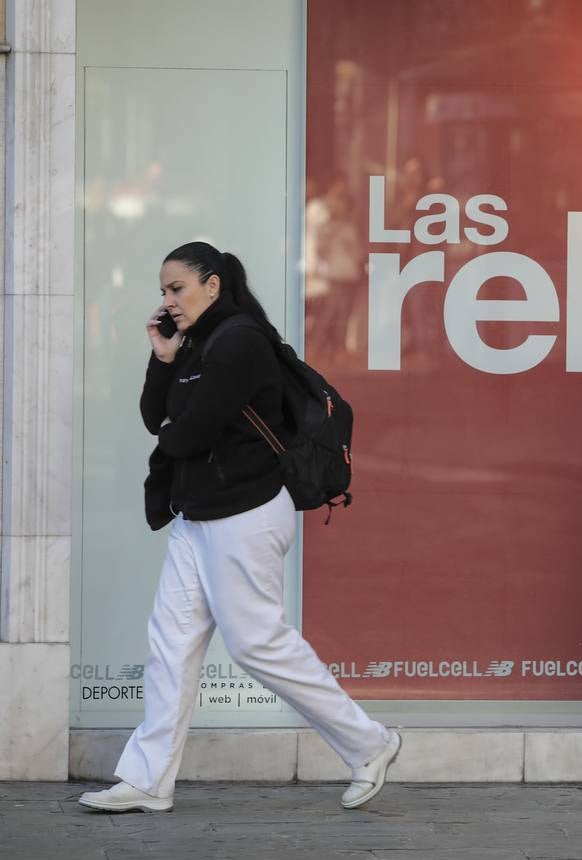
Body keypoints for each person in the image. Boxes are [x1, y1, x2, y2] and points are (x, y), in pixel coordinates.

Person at [79, 242, 401, 813]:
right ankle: (149, 780)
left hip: (246, 513)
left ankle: (369, 742)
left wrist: (177, 429)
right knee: (170, 644)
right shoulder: (196, 344)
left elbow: (192, 431)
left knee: (258, 644)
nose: (168, 300)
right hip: (199, 514)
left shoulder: (241, 342)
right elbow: (159, 418)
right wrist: (162, 356)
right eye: (163, 291)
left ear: (212, 285)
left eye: (176, 288)